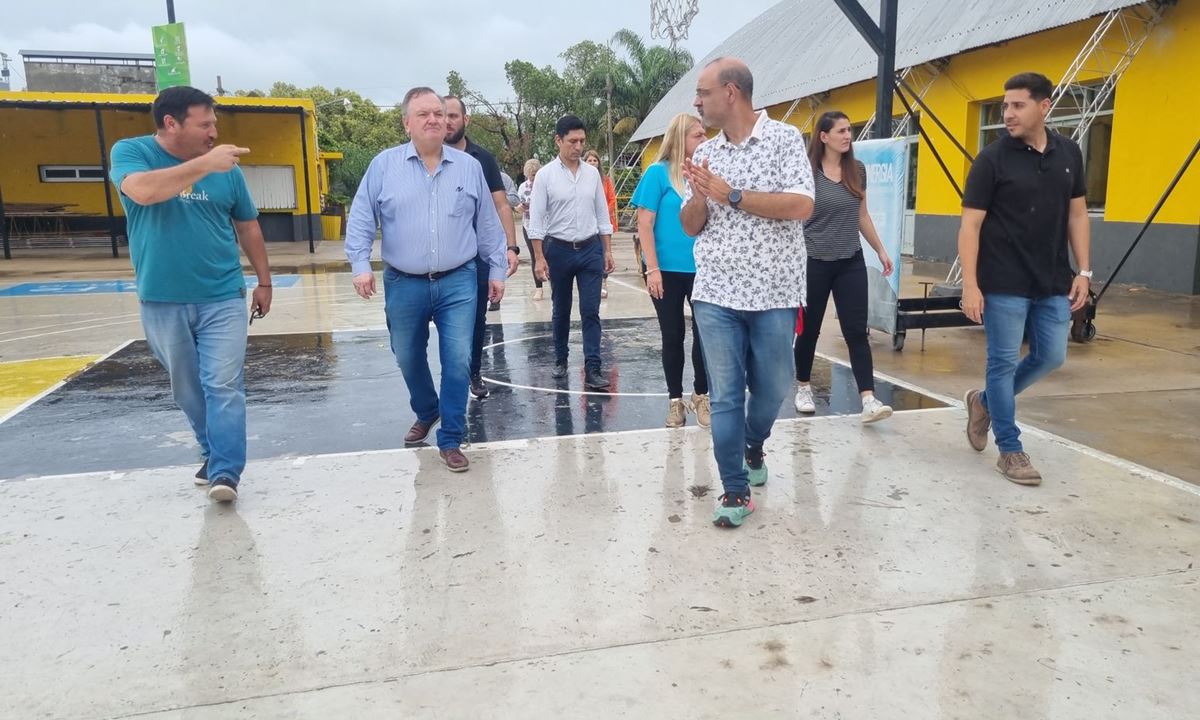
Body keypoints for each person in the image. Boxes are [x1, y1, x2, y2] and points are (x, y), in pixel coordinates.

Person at [109, 85, 272, 504]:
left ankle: (226, 471)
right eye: (205, 124)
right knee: (186, 388)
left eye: (214, 124)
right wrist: (204, 165)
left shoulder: (227, 170)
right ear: (171, 123)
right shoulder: (132, 152)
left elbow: (247, 225)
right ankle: (211, 449)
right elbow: (143, 192)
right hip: (161, 298)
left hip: (222, 294)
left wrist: (264, 281)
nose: (213, 132)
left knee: (223, 383)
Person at [345, 87, 508, 473]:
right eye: (424, 114)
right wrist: (360, 264)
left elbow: (488, 224)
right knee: (406, 354)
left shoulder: (468, 167)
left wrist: (497, 269)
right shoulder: (383, 166)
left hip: (459, 280)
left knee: (458, 359)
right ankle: (427, 408)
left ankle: (451, 437)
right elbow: (362, 216)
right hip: (404, 282)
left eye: (440, 113)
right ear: (407, 123)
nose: (435, 119)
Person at [681, 57, 814, 529]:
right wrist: (701, 197)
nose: (697, 102)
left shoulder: (785, 140)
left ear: (731, 92)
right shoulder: (706, 153)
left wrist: (732, 194)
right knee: (724, 396)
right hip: (715, 291)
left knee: (774, 386)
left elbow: (802, 204)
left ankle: (754, 443)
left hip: (775, 292)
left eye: (703, 92)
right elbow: (690, 225)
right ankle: (735, 489)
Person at [959, 72, 1091, 485]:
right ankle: (1010, 450)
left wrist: (1084, 271)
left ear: (1044, 106)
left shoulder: (1069, 153)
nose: (1007, 114)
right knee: (1001, 363)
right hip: (1003, 280)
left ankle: (983, 403)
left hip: (1052, 278)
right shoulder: (992, 159)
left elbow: (1078, 215)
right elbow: (970, 226)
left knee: (1051, 356)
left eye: (1018, 105)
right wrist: (970, 284)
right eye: (1004, 106)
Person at [792, 111, 895, 424]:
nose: (848, 136)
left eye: (849, 130)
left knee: (856, 331)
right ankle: (803, 387)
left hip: (850, 260)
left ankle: (868, 399)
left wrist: (880, 250)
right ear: (823, 136)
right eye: (841, 131)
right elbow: (794, 217)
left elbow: (862, 215)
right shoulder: (807, 172)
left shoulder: (857, 170)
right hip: (814, 261)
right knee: (809, 330)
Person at [630, 112, 711, 429]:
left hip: (703, 269)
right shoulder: (658, 174)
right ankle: (675, 401)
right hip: (665, 270)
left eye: (704, 134)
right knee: (673, 334)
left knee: (705, 335)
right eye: (698, 135)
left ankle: (701, 394)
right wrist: (652, 269)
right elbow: (644, 224)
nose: (704, 139)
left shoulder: (706, 174)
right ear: (680, 138)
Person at [528, 115, 616, 391]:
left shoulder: (592, 175)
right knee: (561, 308)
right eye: (572, 141)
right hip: (559, 250)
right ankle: (560, 358)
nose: (578, 147)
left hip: (590, 249)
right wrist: (539, 257)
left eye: (582, 141)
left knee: (590, 310)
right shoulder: (545, 176)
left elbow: (602, 214)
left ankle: (593, 367)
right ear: (558, 140)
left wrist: (607, 250)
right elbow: (536, 220)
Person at [444, 95, 520, 399]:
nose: (447, 121)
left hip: (477, 257)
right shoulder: (425, 156)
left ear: (466, 119)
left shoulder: (482, 159)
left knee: (476, 319)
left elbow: (501, 205)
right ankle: (447, 377)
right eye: (442, 115)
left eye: (453, 115)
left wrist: (511, 247)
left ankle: (473, 372)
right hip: (437, 258)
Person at [584, 150, 618, 299]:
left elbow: (612, 199)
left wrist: (602, 213)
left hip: (603, 223)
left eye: (595, 160)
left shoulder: (606, 180)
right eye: (589, 160)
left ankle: (604, 283)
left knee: (604, 252)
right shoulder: (582, 180)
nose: (592, 163)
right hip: (588, 223)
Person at [516, 158, 545, 300]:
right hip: (528, 225)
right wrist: (520, 208)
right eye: (530, 175)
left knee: (549, 255)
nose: (532, 177)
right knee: (535, 256)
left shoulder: (544, 185)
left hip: (545, 225)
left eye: (535, 174)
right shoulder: (523, 187)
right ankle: (539, 288)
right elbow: (517, 206)